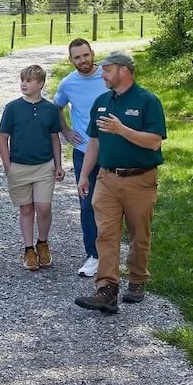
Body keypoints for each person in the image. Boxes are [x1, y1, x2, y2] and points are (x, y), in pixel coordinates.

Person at [74, 50, 167, 314]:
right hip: (106, 178)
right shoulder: (102, 102)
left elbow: (154, 142)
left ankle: (137, 280)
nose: (101, 74)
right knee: (106, 234)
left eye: (107, 70)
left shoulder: (148, 101)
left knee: (139, 233)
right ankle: (106, 289)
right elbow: (93, 142)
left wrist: (121, 130)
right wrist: (83, 175)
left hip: (140, 178)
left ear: (123, 70)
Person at [0, 64, 64, 271]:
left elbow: (55, 139)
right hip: (19, 166)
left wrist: (59, 165)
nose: (24, 84)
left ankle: (42, 243)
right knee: (26, 209)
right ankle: (28, 249)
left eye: (29, 80)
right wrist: (8, 166)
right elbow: (3, 138)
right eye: (22, 80)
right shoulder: (12, 108)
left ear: (41, 84)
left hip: (45, 166)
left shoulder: (51, 109)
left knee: (43, 208)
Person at [53, 39, 108, 277]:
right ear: (71, 60)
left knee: (113, 204)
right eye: (77, 57)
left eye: (86, 55)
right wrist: (65, 131)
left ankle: (112, 253)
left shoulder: (107, 76)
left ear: (92, 54)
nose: (83, 61)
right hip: (83, 151)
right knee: (87, 204)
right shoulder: (68, 83)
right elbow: (56, 107)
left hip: (113, 151)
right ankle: (94, 255)